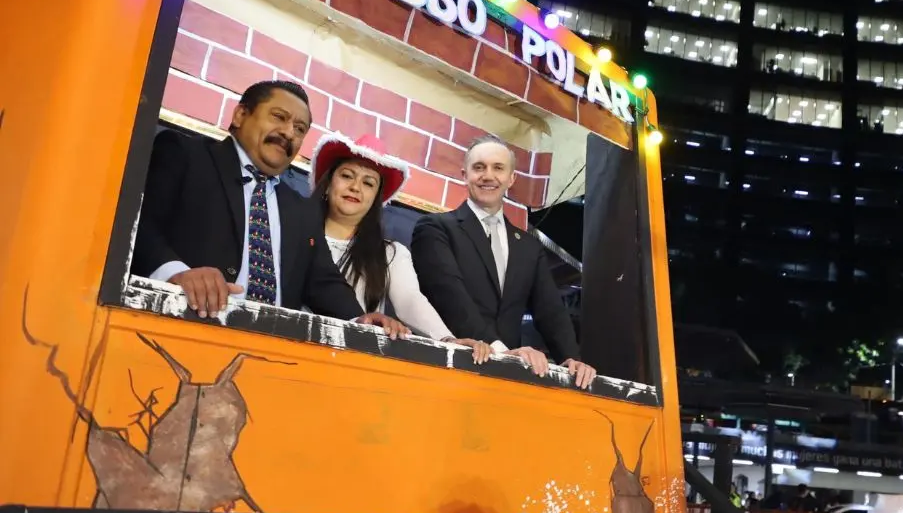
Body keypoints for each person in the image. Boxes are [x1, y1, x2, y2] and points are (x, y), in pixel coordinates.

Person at [131, 79, 409, 338]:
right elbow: (139, 225)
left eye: (300, 129)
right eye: (279, 117)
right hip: (175, 327)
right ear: (240, 115)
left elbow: (323, 282)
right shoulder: (185, 156)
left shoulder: (301, 210)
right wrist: (176, 272)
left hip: (270, 353)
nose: (289, 132)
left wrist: (360, 320)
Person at [411, 134, 597, 388]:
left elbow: (550, 310)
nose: (488, 176)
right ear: (464, 175)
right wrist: (500, 351)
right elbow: (449, 296)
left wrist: (570, 358)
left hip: (507, 379)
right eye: (479, 167)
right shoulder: (435, 228)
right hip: (449, 368)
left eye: (498, 168)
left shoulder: (529, 247)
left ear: (511, 178)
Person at [309, 131, 491, 363]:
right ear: (327, 183)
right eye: (347, 176)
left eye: (368, 183)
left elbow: (409, 300)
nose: (355, 187)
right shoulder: (297, 233)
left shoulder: (390, 253)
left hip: (354, 362)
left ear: (376, 199)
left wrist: (446, 339)